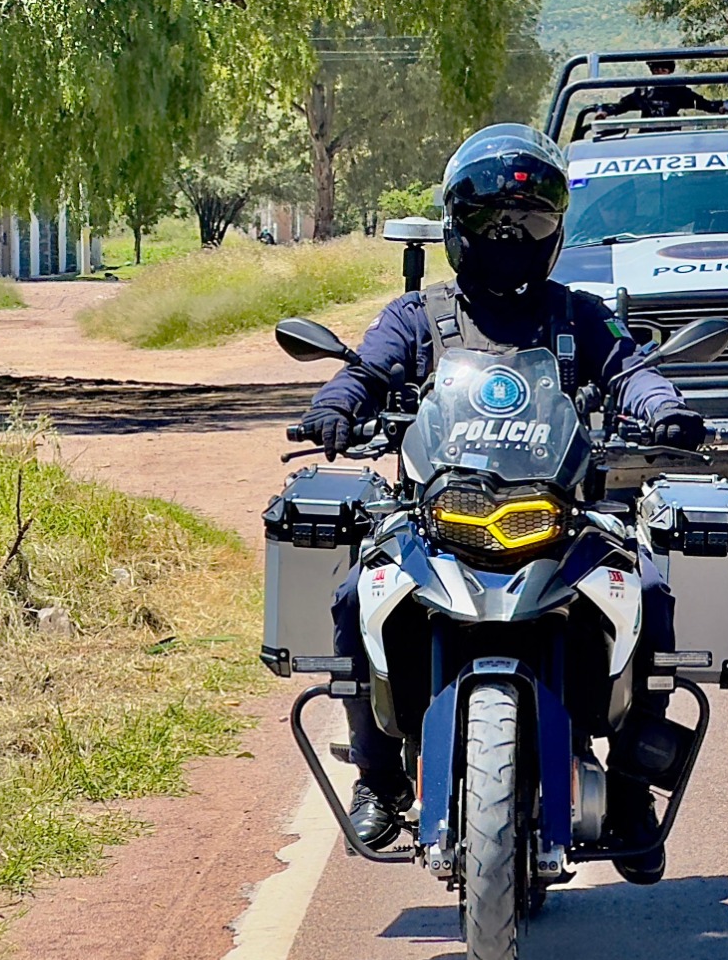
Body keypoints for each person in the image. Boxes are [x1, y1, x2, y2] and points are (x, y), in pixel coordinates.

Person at [299, 123, 707, 883]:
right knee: (355, 594)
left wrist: (663, 407)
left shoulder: (578, 314)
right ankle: (380, 777)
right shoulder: (416, 316)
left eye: (529, 222)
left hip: (559, 520)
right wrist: (337, 403)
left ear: (553, 231)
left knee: (649, 588)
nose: (509, 235)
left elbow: (632, 370)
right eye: (491, 221)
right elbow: (365, 373)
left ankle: (628, 792)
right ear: (459, 227)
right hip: (437, 518)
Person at [601, 59, 728, 121]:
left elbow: (701, 103)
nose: (660, 74)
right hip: (647, 133)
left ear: (669, 72)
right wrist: (606, 112)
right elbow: (624, 104)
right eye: (656, 71)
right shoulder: (643, 91)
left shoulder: (678, 91)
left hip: (672, 132)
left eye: (663, 70)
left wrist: (718, 108)